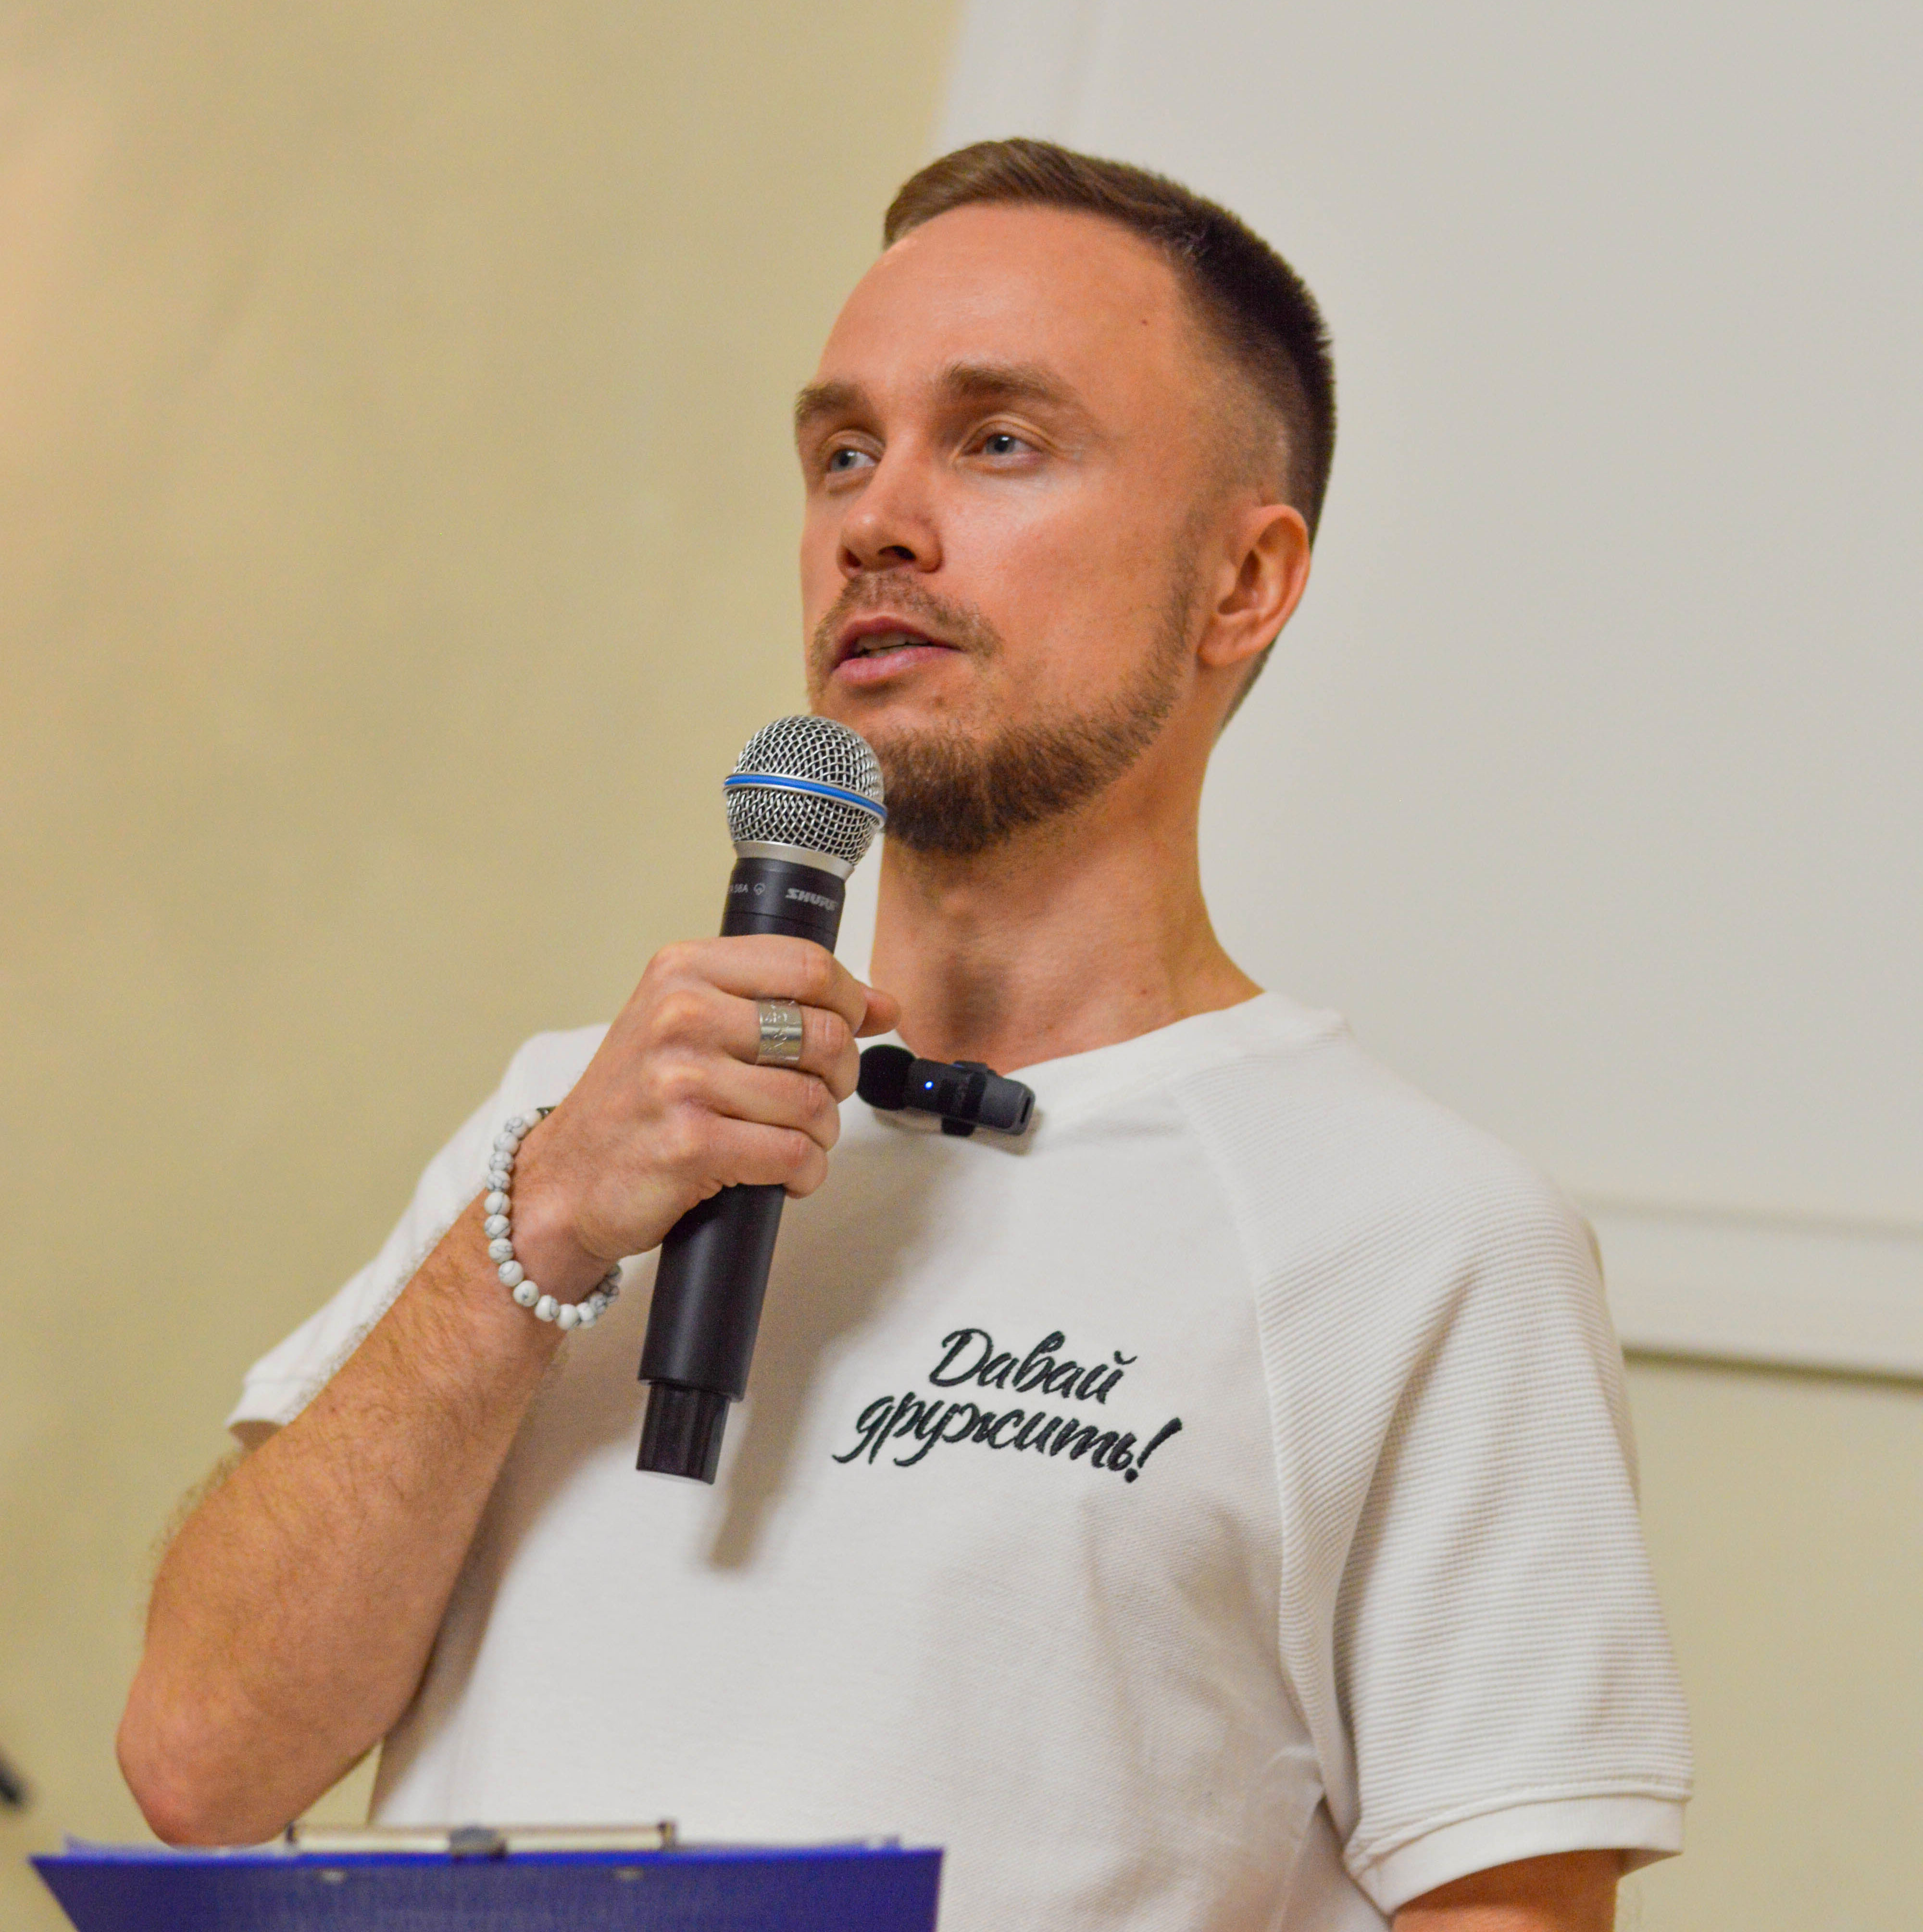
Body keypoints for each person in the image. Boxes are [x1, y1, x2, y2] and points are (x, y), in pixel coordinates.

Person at [118, 139, 1691, 1930]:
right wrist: (538, 1222)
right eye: (843, 453)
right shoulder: (569, 1123)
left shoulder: (1415, 1239)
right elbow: (198, 1762)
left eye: (999, 441)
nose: (878, 520)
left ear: (1242, 584)